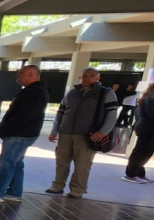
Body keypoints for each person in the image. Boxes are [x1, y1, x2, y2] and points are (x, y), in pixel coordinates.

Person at [0, 64, 50, 203]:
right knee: (16, 163)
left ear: (30, 74)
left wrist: (8, 128)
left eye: (20, 73)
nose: (17, 75)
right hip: (23, 134)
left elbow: (23, 115)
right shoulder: (34, 90)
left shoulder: (35, 92)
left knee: (7, 163)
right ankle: (14, 192)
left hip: (19, 134)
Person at [46, 67, 119, 199]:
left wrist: (103, 132)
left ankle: (77, 189)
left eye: (91, 76)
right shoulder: (72, 93)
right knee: (61, 161)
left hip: (87, 135)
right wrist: (55, 130)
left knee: (82, 164)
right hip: (66, 132)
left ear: (98, 78)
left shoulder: (106, 93)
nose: (87, 78)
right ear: (80, 77)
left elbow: (112, 115)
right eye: (84, 76)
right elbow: (61, 112)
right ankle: (57, 185)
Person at [123, 82, 154, 183]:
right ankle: (130, 174)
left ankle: (139, 173)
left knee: (147, 152)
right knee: (140, 152)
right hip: (147, 129)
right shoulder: (148, 100)